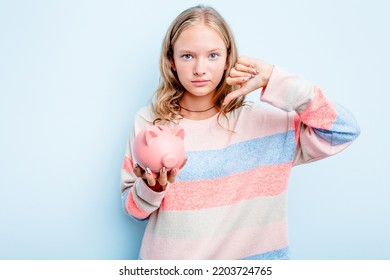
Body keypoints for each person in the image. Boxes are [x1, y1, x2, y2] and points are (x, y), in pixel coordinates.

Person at [120, 5, 360, 260]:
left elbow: (343, 130)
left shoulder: (266, 123)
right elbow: (134, 211)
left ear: (227, 59)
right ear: (171, 60)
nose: (200, 68)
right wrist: (151, 188)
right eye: (187, 56)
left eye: (212, 55)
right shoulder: (150, 123)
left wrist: (275, 79)